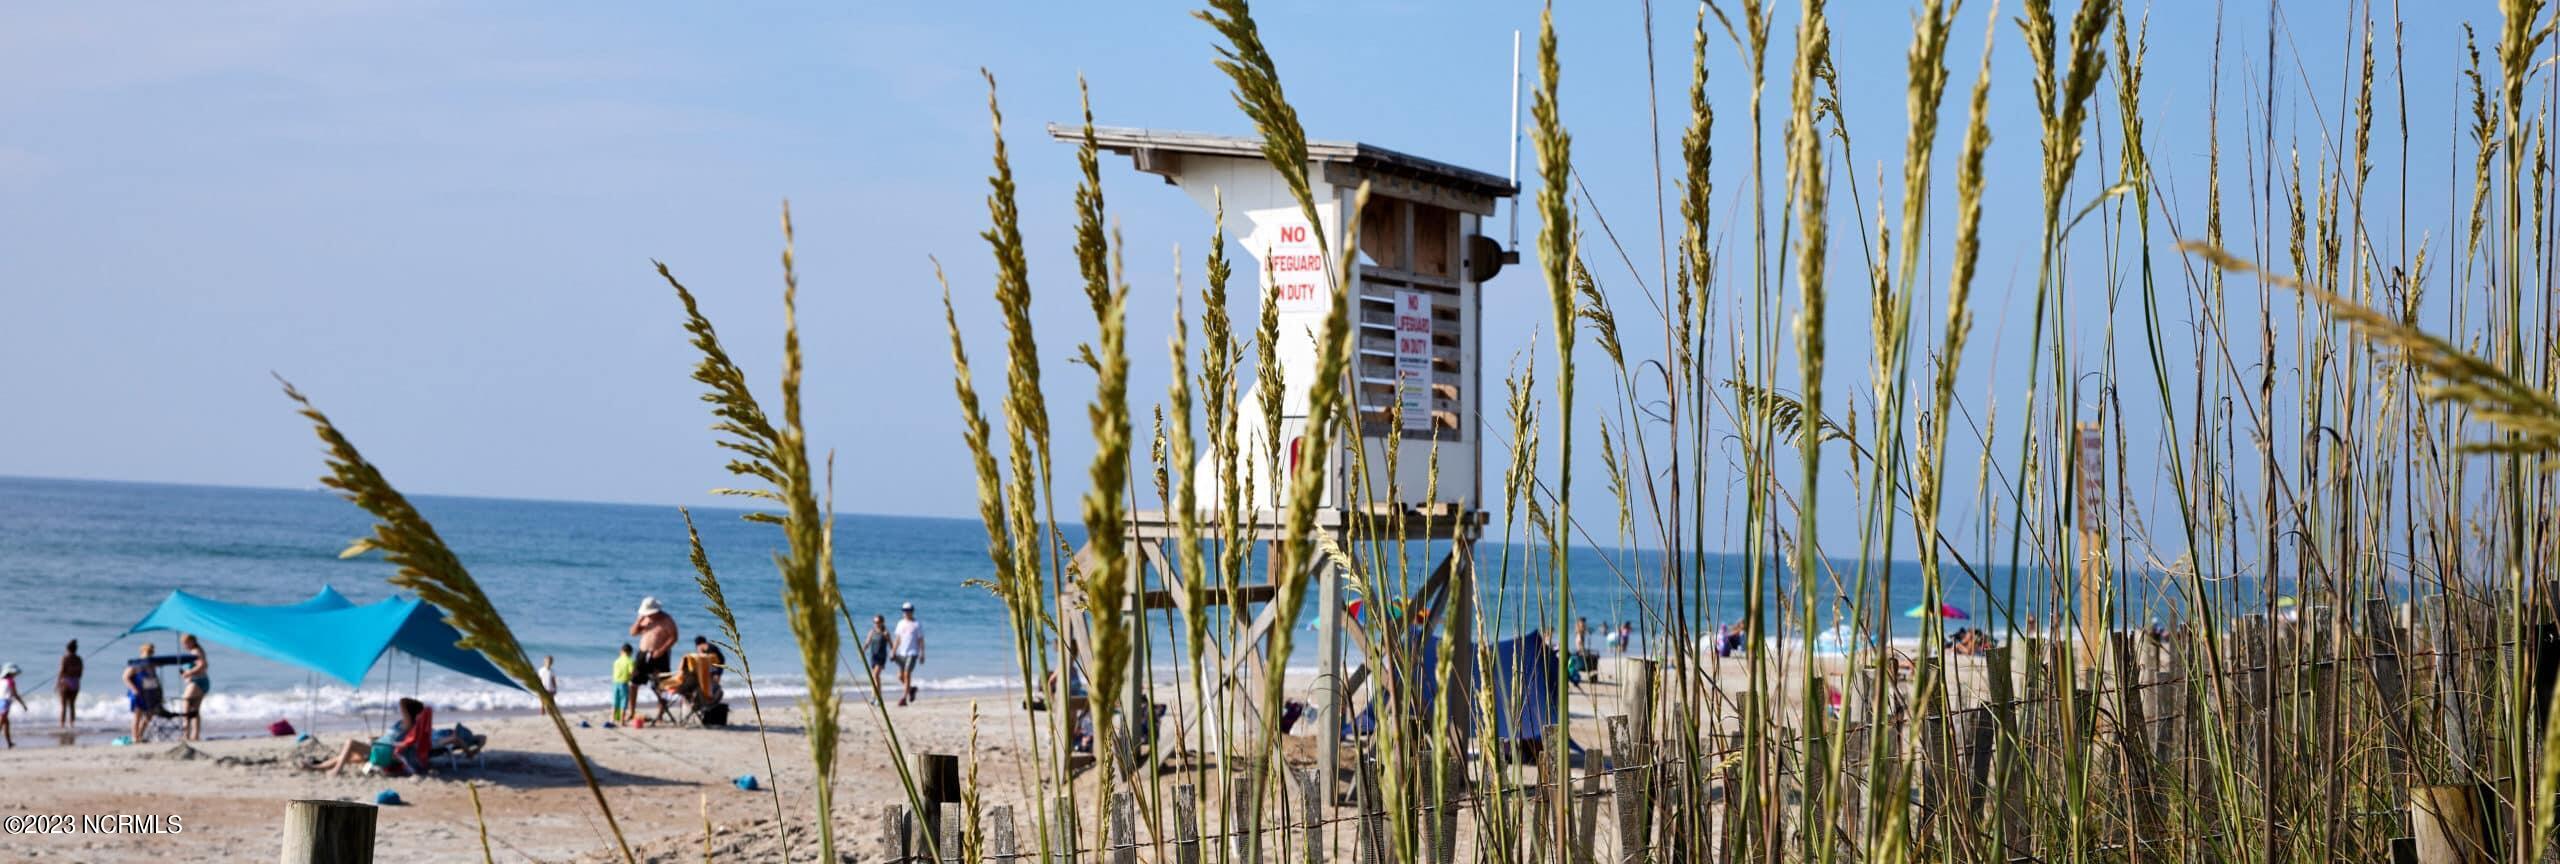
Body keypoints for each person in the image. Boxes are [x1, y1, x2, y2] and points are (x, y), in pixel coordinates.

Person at [307, 698, 428, 776]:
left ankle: (336, 771)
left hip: (385, 751)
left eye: (403, 709)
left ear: (408, 712)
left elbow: (403, 702)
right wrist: (376, 738)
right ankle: (317, 767)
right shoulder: (401, 723)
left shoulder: (409, 724)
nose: (400, 709)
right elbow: (391, 736)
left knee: (350, 743)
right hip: (380, 746)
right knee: (347, 756)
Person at [629, 597, 679, 718]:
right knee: (634, 682)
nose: (649, 615)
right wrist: (639, 621)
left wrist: (661, 650)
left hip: (660, 655)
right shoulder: (644, 618)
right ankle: (631, 711)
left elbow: (674, 637)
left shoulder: (667, 620)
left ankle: (660, 713)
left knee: (662, 684)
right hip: (643, 653)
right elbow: (633, 633)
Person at [123, 643, 181, 744]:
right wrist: (134, 689)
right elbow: (125, 677)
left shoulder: (152, 665)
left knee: (149, 715)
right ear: (142, 653)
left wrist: (159, 692)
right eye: (147, 653)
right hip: (138, 693)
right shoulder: (136, 664)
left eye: (150, 653)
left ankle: (140, 734)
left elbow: (154, 679)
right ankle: (135, 737)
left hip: (149, 693)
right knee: (137, 715)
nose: (149, 655)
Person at [177, 633, 211, 741]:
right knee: (195, 709)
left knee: (186, 705)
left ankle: (186, 734)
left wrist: (189, 673)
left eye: (185, 643)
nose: (184, 646)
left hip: (197, 681)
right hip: (202, 681)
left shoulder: (196, 651)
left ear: (192, 641)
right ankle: (195, 735)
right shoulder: (197, 650)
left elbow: (203, 665)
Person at [891, 602, 925, 706]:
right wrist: (893, 651)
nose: (906, 612)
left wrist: (922, 653)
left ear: (912, 611)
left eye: (908, 610)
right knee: (900, 676)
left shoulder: (916, 624)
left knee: (907, 674)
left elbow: (920, 640)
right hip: (901, 652)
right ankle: (911, 689)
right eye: (904, 610)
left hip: (912, 653)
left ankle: (904, 698)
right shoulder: (900, 623)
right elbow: (897, 639)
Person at [56, 640, 81, 729]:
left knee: (63, 706)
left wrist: (57, 682)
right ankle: (72, 724)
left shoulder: (65, 658)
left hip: (65, 682)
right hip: (75, 682)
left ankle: (62, 725)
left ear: (67, 649)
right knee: (72, 705)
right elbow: (80, 674)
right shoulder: (79, 659)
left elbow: (62, 670)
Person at [609, 644, 636, 724]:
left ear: (621, 651)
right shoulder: (630, 661)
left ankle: (612, 719)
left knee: (615, 701)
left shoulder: (617, 661)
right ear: (630, 652)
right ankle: (622, 720)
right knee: (623, 701)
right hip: (624, 683)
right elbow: (631, 672)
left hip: (615, 683)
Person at [863, 615, 892, 689]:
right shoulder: (872, 632)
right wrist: (863, 650)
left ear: (882, 622)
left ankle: (876, 696)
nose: (876, 624)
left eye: (878, 622)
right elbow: (867, 642)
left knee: (875, 675)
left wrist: (893, 654)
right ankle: (876, 694)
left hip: (881, 657)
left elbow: (891, 644)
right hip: (874, 656)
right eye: (875, 622)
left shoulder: (885, 633)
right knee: (874, 677)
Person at [0, 663, 24, 748]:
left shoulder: (1, 680)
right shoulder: (11, 681)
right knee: (2, 722)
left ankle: (9, 743)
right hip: (5, 703)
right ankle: (9, 742)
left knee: (6, 723)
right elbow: (15, 694)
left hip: (1, 701)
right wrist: (23, 704)